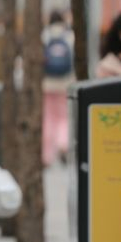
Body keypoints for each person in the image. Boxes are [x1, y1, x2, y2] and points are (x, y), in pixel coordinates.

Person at [41, 10, 75, 165]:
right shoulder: (70, 36)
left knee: (48, 117)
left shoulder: (44, 35)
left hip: (47, 84)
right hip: (64, 84)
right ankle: (63, 145)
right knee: (63, 117)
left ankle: (47, 155)